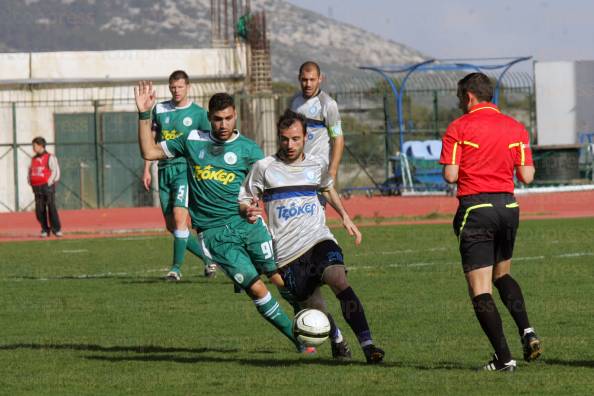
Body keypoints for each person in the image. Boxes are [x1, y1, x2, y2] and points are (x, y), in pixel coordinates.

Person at [136, 84, 301, 351]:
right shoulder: (192, 141)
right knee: (256, 288)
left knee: (278, 277)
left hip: (247, 225)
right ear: (209, 118)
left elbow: (265, 188)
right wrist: (144, 115)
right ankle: (302, 342)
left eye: (228, 118)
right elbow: (149, 152)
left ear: (236, 116)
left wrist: (252, 206)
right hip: (214, 234)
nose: (223, 124)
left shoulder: (249, 150)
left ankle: (316, 324)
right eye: (217, 119)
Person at [239, 109, 385, 364]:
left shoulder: (317, 164)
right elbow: (244, 198)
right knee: (315, 308)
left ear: (305, 136)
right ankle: (337, 339)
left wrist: (345, 217)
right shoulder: (264, 168)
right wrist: (247, 209)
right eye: (284, 139)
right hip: (286, 254)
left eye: (296, 138)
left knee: (339, 279)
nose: (290, 144)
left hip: (318, 239)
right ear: (278, 138)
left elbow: (327, 188)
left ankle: (368, 344)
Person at [439, 72, 542, 372]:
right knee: (502, 275)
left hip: (477, 209)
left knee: (480, 289)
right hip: (509, 207)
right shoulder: (516, 127)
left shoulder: (459, 127)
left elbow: (450, 175)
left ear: (469, 96)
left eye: (460, 98)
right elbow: (527, 176)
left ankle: (503, 358)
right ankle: (527, 331)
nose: (460, 103)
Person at [142, 70, 216, 280]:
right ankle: (209, 259)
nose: (176, 91)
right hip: (163, 169)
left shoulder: (199, 114)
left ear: (188, 87)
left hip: (185, 170)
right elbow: (151, 141)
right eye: (173, 87)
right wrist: (146, 169)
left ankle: (175, 268)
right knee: (172, 226)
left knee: (179, 218)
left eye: (180, 87)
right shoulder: (160, 109)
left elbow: (208, 145)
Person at [290, 61, 344, 181]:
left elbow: (338, 138)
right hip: (297, 166)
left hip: (318, 167)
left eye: (312, 80)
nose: (308, 84)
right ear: (299, 78)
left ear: (320, 79)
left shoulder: (328, 104)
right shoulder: (294, 101)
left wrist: (333, 170)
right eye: (304, 80)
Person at [28, 137, 62, 238]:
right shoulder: (33, 159)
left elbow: (55, 171)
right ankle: (44, 229)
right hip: (36, 188)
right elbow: (30, 171)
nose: (33, 148)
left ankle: (57, 229)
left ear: (40, 145)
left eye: (34, 145)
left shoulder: (50, 157)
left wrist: (49, 182)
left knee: (51, 207)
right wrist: (31, 181)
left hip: (47, 187)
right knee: (39, 210)